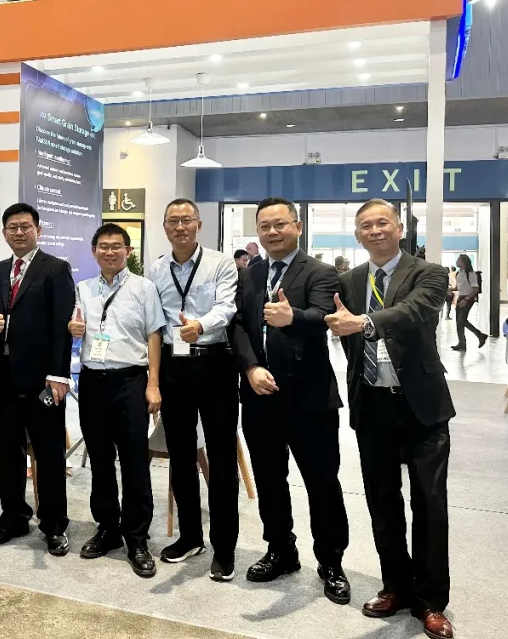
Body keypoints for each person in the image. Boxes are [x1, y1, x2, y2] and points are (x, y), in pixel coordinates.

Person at [324, 199, 455, 639]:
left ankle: (431, 600)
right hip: (373, 403)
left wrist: (363, 323)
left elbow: (414, 312)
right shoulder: (349, 280)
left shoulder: (429, 273)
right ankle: (395, 586)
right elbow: (329, 320)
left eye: (383, 223)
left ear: (399, 229)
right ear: (357, 235)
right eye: (366, 225)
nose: (375, 230)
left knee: (430, 503)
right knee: (382, 501)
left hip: (421, 405)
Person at [231, 197, 350, 604]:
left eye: (280, 224)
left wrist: (293, 317)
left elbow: (326, 317)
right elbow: (238, 325)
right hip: (260, 395)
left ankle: (331, 562)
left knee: (322, 482)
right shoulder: (250, 273)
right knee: (269, 479)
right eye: (264, 226)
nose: (272, 232)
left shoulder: (320, 272)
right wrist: (250, 367)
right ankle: (280, 549)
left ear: (297, 227)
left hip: (309, 398)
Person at [147, 198, 240, 582]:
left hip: (214, 363)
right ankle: (190, 537)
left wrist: (200, 325)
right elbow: (154, 322)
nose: (180, 226)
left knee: (221, 457)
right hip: (174, 366)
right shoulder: (155, 270)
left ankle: (225, 548)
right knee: (180, 455)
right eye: (173, 221)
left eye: (187, 220)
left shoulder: (220, 263)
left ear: (199, 224)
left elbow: (227, 307)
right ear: (165, 227)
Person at [0, 203, 73, 556]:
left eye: (25, 226)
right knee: (8, 450)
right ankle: (13, 518)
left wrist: (59, 374)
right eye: (12, 227)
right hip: (3, 377)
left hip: (43, 380)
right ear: (4, 233)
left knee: (49, 454)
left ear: (38, 230)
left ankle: (54, 525)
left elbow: (63, 326)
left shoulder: (56, 269)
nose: (19, 232)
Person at [69, 222, 162, 577]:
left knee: (135, 461)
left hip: (131, 381)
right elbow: (75, 327)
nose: (110, 252)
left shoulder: (143, 288)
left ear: (128, 251)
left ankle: (137, 537)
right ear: (94, 251)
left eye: (116, 246)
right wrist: (73, 329)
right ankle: (107, 528)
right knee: (101, 460)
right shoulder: (83, 289)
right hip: (93, 382)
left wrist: (153, 384)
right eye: (103, 246)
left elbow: (154, 335)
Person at [452, 254, 487, 351]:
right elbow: (458, 287)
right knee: (459, 322)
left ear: (463, 262)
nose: (457, 261)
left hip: (468, 299)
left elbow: (475, 289)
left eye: (458, 260)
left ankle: (480, 335)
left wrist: (466, 299)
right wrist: (450, 289)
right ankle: (462, 343)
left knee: (462, 320)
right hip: (460, 297)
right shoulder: (458, 273)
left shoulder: (471, 273)